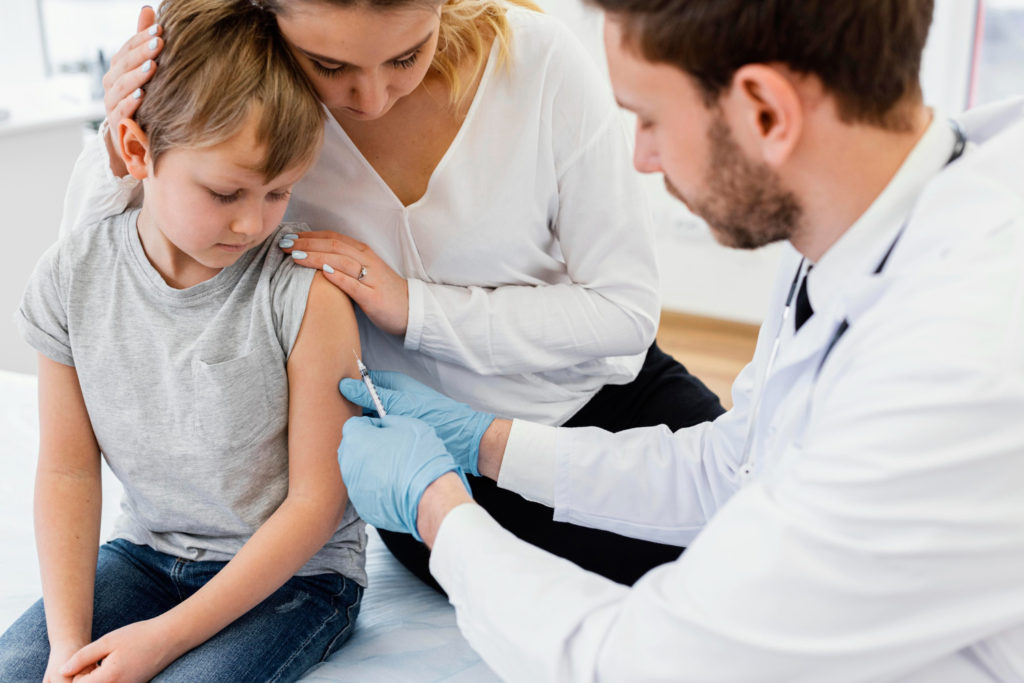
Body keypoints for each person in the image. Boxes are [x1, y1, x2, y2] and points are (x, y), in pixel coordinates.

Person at [334, 0, 1024, 679]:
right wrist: (488, 440)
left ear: (765, 112)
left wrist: (439, 512)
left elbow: (643, 660)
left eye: (649, 118)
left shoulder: (960, 366)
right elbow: (735, 469)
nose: (640, 156)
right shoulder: (863, 219)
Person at [64, 0, 725, 589]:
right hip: (431, 467)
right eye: (328, 64)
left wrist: (416, 308)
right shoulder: (262, 114)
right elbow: (91, 279)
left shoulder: (538, 63)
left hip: (613, 406)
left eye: (408, 54)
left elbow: (625, 312)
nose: (372, 96)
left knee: (781, 547)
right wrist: (118, 140)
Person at [0, 1, 368, 680]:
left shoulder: (306, 294)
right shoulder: (70, 277)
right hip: (144, 557)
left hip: (296, 579)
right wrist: (65, 647)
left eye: (279, 192)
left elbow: (318, 505)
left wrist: (163, 640)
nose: (253, 222)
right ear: (139, 151)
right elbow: (66, 470)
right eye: (227, 192)